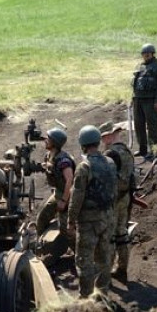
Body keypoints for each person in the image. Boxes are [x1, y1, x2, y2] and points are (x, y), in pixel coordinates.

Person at [67, 125, 117, 298]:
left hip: (88, 222)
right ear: (97, 142)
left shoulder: (84, 167)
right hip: (108, 217)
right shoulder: (110, 163)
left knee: (84, 261)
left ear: (83, 145)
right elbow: (113, 190)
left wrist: (71, 220)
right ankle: (102, 293)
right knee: (105, 258)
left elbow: (77, 197)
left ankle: (86, 298)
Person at [99, 121, 136, 284]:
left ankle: (105, 272)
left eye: (103, 137)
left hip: (113, 199)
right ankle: (122, 269)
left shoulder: (110, 154)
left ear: (109, 136)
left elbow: (104, 179)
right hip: (126, 196)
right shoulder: (127, 151)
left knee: (110, 236)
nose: (102, 141)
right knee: (122, 233)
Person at [35, 128, 76, 239]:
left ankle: (77, 252)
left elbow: (70, 180)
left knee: (65, 228)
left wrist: (63, 201)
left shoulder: (64, 161)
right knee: (42, 218)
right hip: (58, 193)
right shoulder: (49, 156)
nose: (45, 140)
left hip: (69, 195)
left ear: (55, 142)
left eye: (48, 139)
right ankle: (41, 246)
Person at [131, 43, 157, 160]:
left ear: (152, 54)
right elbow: (135, 84)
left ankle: (154, 150)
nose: (146, 55)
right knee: (138, 125)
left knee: (152, 126)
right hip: (138, 99)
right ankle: (142, 149)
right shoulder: (139, 67)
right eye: (144, 54)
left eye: (148, 53)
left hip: (151, 101)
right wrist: (133, 98)